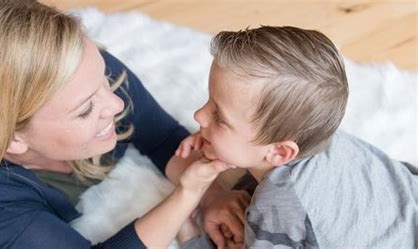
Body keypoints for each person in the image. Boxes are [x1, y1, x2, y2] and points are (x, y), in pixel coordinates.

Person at [0, 0, 247, 248]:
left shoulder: (89, 72)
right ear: (12, 139)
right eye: (86, 109)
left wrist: (214, 196)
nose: (116, 104)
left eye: (104, 79)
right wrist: (188, 193)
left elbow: (161, 137)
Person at [176, 26, 417, 248]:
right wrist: (212, 139)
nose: (198, 115)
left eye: (219, 117)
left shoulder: (277, 207)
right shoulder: (315, 131)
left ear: (280, 152)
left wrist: (192, 240)